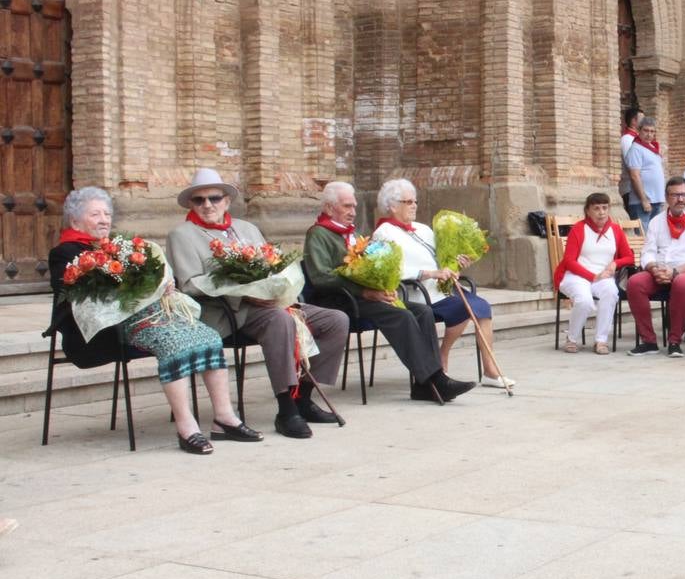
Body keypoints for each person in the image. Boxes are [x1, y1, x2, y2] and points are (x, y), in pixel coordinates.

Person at [50, 187, 259, 455]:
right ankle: (187, 427)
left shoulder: (117, 247)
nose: (104, 219)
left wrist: (161, 284)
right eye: (95, 214)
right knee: (172, 342)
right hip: (108, 330)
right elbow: (81, 295)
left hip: (149, 317)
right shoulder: (65, 252)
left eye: (107, 213)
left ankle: (224, 419)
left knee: (208, 335)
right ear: (75, 220)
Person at [167, 169, 348, 439]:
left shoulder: (247, 228)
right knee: (280, 321)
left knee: (336, 320)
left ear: (227, 201)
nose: (207, 205)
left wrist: (279, 288)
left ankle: (303, 396)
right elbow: (190, 283)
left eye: (214, 198)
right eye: (199, 200)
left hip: (269, 303)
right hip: (227, 312)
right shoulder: (182, 235)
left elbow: (272, 266)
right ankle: (286, 409)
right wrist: (243, 292)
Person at [304, 181, 474, 404]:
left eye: (354, 206)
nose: (353, 212)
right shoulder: (318, 234)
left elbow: (368, 264)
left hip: (365, 296)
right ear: (328, 208)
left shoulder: (352, 234)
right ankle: (435, 381)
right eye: (347, 206)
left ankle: (426, 384)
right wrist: (364, 291)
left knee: (422, 311)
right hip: (340, 301)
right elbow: (321, 277)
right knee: (401, 315)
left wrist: (384, 285)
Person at [371, 179, 514, 389]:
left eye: (415, 201)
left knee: (482, 307)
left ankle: (490, 371)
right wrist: (429, 273)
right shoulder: (383, 233)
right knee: (464, 307)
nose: (414, 205)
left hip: (442, 289)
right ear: (392, 206)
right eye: (408, 201)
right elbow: (389, 270)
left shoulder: (422, 229)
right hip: (417, 293)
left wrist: (457, 264)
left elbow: (442, 260)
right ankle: (442, 357)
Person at [626, 178, 685, 358]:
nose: (680, 199)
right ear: (667, 197)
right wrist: (653, 268)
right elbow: (648, 252)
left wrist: (675, 272)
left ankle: (675, 341)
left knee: (681, 283)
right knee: (634, 282)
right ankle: (649, 341)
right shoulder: (657, 221)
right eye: (675, 195)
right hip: (660, 271)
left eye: (684, 194)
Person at [553, 192, 634, 354]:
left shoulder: (616, 230)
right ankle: (572, 338)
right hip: (576, 275)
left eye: (605, 208)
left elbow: (629, 257)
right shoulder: (578, 229)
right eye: (596, 208)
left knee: (611, 292)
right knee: (584, 301)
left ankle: (601, 340)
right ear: (588, 211)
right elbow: (569, 261)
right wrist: (592, 276)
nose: (601, 212)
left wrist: (615, 263)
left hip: (602, 276)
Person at [624, 116, 666, 229]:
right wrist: (643, 200)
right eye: (646, 130)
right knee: (643, 239)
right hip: (642, 202)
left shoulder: (652, 148)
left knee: (654, 237)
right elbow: (634, 175)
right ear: (639, 130)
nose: (649, 134)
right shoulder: (636, 149)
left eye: (652, 131)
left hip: (656, 200)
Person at [617, 108, 641, 212]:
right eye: (642, 119)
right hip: (630, 189)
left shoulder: (638, 139)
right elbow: (631, 164)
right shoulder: (627, 139)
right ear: (634, 121)